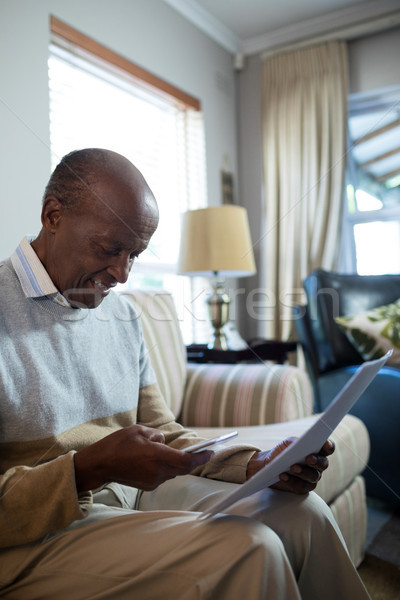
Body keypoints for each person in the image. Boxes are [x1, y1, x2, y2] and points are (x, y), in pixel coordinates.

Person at [0, 148, 370, 600]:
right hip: (32, 535)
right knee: (249, 548)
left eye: (134, 254)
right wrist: (88, 468)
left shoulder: (123, 317)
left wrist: (252, 465)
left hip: (132, 495)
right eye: (109, 248)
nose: (121, 273)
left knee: (301, 513)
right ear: (52, 215)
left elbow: (162, 431)